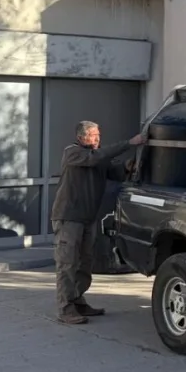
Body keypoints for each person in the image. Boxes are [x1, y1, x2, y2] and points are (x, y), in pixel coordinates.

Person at [51, 120, 146, 325]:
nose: (97, 139)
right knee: (68, 263)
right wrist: (130, 143)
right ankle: (65, 308)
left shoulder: (97, 157)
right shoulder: (73, 153)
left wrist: (128, 166)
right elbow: (96, 158)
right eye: (93, 135)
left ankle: (78, 300)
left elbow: (114, 172)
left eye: (98, 135)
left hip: (88, 218)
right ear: (81, 137)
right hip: (69, 218)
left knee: (85, 263)